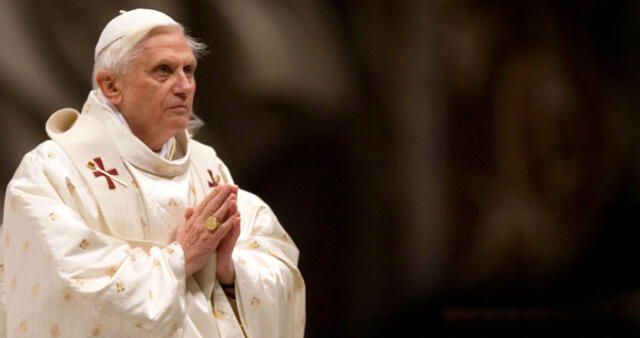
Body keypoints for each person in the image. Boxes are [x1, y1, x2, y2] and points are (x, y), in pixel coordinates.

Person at [0, 8, 305, 337]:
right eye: (164, 70)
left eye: (188, 70)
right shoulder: (54, 171)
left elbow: (278, 263)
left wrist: (231, 271)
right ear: (111, 86)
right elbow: (63, 285)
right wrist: (181, 258)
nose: (184, 86)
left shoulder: (209, 169)